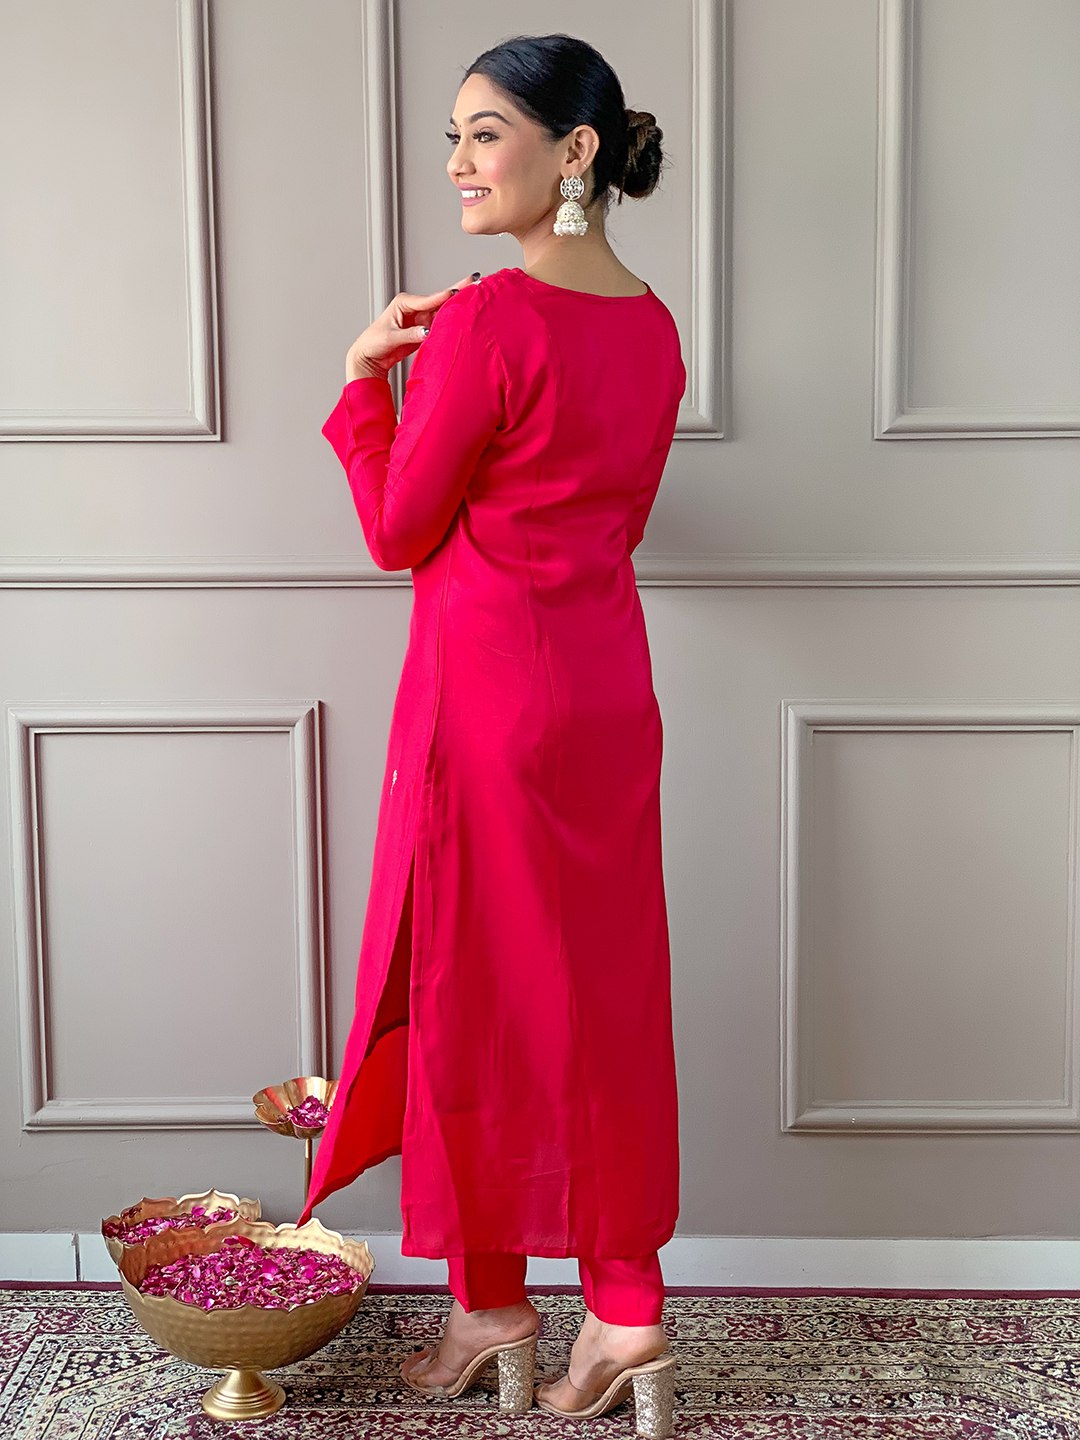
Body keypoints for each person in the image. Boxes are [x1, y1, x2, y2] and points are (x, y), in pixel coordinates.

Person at [303, 31, 686, 1435]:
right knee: (604, 999)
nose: (459, 162)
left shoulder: (484, 322)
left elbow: (400, 528)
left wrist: (364, 387)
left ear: (572, 150)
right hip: (606, 696)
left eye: (484, 133)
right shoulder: (654, 326)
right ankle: (626, 1309)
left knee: (479, 998)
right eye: (453, 136)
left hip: (488, 701)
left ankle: (492, 1305)